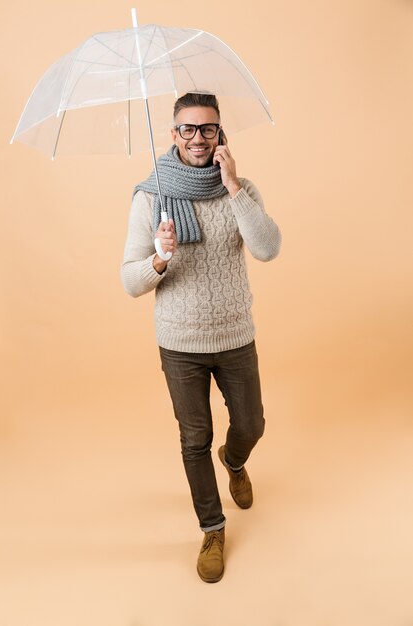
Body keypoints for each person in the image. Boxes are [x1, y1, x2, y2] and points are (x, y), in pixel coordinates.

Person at [121, 92, 281, 583]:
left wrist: (233, 186)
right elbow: (130, 281)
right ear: (173, 134)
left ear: (220, 133)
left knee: (250, 424)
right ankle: (212, 527)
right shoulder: (152, 196)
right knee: (195, 439)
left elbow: (268, 248)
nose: (197, 138)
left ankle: (234, 462)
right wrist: (160, 257)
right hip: (180, 342)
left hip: (234, 335)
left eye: (207, 129)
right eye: (187, 130)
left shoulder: (241, 188)